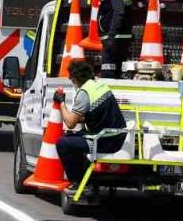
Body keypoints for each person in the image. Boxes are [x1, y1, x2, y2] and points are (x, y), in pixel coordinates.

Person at [55, 61, 128, 194]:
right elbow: (95, 113)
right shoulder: (99, 86)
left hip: (104, 141)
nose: (70, 80)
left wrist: (61, 102)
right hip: (116, 136)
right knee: (73, 137)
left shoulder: (84, 93)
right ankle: (87, 178)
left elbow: (70, 123)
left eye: (70, 78)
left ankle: (77, 181)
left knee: (63, 143)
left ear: (76, 78)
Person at [90, 0, 132, 78]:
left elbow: (118, 11)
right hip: (120, 35)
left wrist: (111, 36)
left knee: (108, 71)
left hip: (114, 36)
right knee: (116, 71)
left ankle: (109, 95)